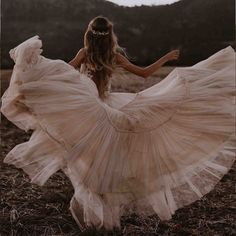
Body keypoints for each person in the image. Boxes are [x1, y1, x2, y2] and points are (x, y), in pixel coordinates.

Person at [1, 16, 235, 232]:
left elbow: (64, 71)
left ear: (89, 35)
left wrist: (38, 77)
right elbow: (144, 74)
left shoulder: (84, 52)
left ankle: (99, 205)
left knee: (91, 157)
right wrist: (165, 59)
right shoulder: (114, 55)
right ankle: (105, 201)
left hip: (89, 109)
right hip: (107, 109)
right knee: (111, 157)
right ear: (110, 35)